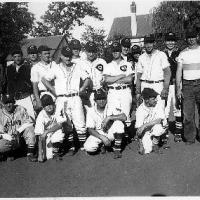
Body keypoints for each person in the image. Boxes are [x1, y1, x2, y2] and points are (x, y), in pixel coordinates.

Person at [42, 46, 90, 151]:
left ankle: (83, 146)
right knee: (66, 123)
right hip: (62, 98)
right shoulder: (56, 67)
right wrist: (53, 91)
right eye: (65, 56)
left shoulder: (77, 66)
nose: (68, 59)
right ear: (61, 56)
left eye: (69, 56)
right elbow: (44, 79)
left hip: (75, 97)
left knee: (80, 122)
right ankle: (72, 146)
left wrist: (82, 89)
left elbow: (87, 78)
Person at [103, 41, 134, 144]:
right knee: (113, 113)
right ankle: (114, 136)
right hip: (113, 92)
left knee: (126, 114)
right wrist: (121, 76)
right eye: (113, 51)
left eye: (117, 51)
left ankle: (126, 137)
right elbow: (107, 80)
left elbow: (129, 79)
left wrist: (114, 79)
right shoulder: (108, 65)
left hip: (125, 90)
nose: (115, 53)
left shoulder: (127, 64)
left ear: (120, 51)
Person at [84, 88, 127, 159]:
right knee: (88, 147)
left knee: (118, 123)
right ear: (95, 100)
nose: (101, 101)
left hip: (111, 131)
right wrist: (101, 137)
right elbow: (90, 129)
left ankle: (117, 149)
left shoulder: (111, 106)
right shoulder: (91, 111)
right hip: (99, 133)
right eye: (99, 99)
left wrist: (109, 117)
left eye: (103, 98)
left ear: (106, 99)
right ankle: (103, 145)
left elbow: (124, 117)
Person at [176, 29, 200, 145]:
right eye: (189, 37)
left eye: (193, 37)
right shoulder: (182, 53)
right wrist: (178, 89)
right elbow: (178, 71)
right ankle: (190, 137)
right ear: (186, 39)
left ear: (197, 37)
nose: (191, 39)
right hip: (187, 86)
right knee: (188, 114)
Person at [35, 94, 71, 162]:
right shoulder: (41, 115)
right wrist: (40, 154)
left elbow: (60, 125)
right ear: (43, 107)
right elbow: (40, 136)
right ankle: (55, 149)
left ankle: (56, 153)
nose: (49, 106)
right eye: (46, 105)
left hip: (56, 131)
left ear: (53, 103)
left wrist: (47, 131)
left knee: (59, 133)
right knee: (48, 157)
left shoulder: (58, 108)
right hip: (46, 136)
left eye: (50, 104)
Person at [0, 94, 36, 161]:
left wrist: (18, 131)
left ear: (14, 102)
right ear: (3, 104)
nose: (8, 105)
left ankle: (30, 154)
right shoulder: (0, 114)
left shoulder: (20, 109)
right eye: (6, 103)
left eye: (10, 102)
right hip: (8, 139)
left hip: (20, 137)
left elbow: (29, 122)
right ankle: (9, 153)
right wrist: (6, 136)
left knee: (30, 129)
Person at [6, 47, 35, 121]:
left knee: (30, 117)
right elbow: (9, 83)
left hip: (27, 96)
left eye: (19, 56)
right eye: (15, 57)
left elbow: (32, 82)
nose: (17, 58)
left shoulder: (27, 67)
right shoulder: (9, 68)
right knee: (18, 119)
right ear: (12, 58)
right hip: (16, 98)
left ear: (21, 56)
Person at [135, 88, 167, 154]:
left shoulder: (158, 105)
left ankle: (155, 144)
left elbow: (159, 120)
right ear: (146, 100)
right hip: (146, 131)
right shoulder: (140, 110)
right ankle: (150, 142)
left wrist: (145, 125)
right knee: (147, 151)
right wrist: (140, 145)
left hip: (155, 127)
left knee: (159, 127)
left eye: (155, 98)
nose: (156, 100)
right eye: (153, 99)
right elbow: (139, 131)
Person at [164, 32, 183, 142]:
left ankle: (178, 132)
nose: (170, 42)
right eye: (168, 40)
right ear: (165, 42)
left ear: (175, 42)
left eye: (172, 40)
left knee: (177, 107)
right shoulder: (161, 54)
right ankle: (164, 132)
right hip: (166, 84)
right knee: (165, 109)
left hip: (177, 84)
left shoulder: (179, 53)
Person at [81, 41, 108, 108]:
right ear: (85, 52)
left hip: (101, 93)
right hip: (87, 94)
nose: (91, 54)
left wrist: (104, 81)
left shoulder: (102, 62)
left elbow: (107, 76)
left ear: (96, 51)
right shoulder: (81, 63)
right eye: (89, 51)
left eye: (93, 51)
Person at [31, 45, 56, 113]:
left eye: (48, 53)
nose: (47, 55)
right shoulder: (35, 68)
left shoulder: (54, 64)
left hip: (56, 94)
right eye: (45, 54)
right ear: (39, 55)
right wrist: (38, 100)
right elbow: (35, 87)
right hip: (44, 95)